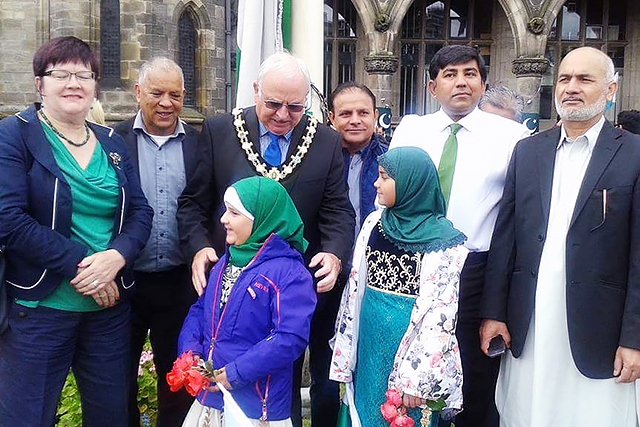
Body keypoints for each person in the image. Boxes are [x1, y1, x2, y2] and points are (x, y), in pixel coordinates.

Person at [176, 51, 355, 427]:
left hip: (291, 285)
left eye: (295, 106)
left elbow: (338, 210)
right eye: (273, 104)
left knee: (280, 382)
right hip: (230, 282)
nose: (283, 115)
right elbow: (193, 203)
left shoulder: (324, 142)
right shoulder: (220, 131)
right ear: (256, 91)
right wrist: (198, 248)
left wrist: (336, 254)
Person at [480, 46, 640, 426]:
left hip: (600, 327)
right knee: (527, 411)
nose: (571, 87)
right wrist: (493, 313)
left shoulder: (634, 154)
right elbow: (506, 240)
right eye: (565, 78)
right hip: (530, 321)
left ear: (611, 89)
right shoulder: (527, 152)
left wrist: (634, 338)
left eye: (585, 79)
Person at [0, 36, 153, 426]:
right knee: (27, 417)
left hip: (107, 312)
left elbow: (140, 211)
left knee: (111, 416)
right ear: (40, 84)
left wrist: (117, 258)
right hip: (41, 311)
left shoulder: (111, 142)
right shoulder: (15, 135)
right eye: (61, 74)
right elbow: (9, 218)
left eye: (83, 75)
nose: (73, 83)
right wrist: (88, 267)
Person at [390, 45, 530, 427]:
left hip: (475, 271)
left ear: (483, 83)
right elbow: (387, 197)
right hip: (414, 264)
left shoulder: (513, 137)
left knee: (472, 374)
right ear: (433, 86)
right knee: (411, 368)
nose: (461, 82)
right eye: (450, 74)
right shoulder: (411, 129)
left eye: (470, 73)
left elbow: (519, 214)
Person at [330, 147, 468, 426]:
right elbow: (356, 288)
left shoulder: (444, 242)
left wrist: (416, 378)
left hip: (408, 343)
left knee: (404, 412)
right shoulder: (374, 223)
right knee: (367, 406)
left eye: (384, 177)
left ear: (410, 183)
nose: (376, 184)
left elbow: (439, 315)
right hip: (369, 338)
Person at [178, 176, 317, 426]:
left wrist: (234, 373)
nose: (223, 219)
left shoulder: (289, 274)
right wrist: (191, 352)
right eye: (225, 210)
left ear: (261, 218)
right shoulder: (226, 261)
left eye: (234, 213)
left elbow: (289, 337)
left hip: (255, 408)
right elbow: (201, 310)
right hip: (211, 399)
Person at [113, 57, 200, 427]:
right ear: (137, 94)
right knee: (116, 383)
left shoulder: (199, 144)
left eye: (175, 95)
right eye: (156, 93)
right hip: (123, 284)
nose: (166, 103)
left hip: (179, 284)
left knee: (178, 383)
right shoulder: (111, 140)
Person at [328, 81, 388, 237]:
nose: (355, 121)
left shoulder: (389, 160)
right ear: (332, 117)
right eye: (346, 113)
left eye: (363, 113)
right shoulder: (319, 158)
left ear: (375, 116)